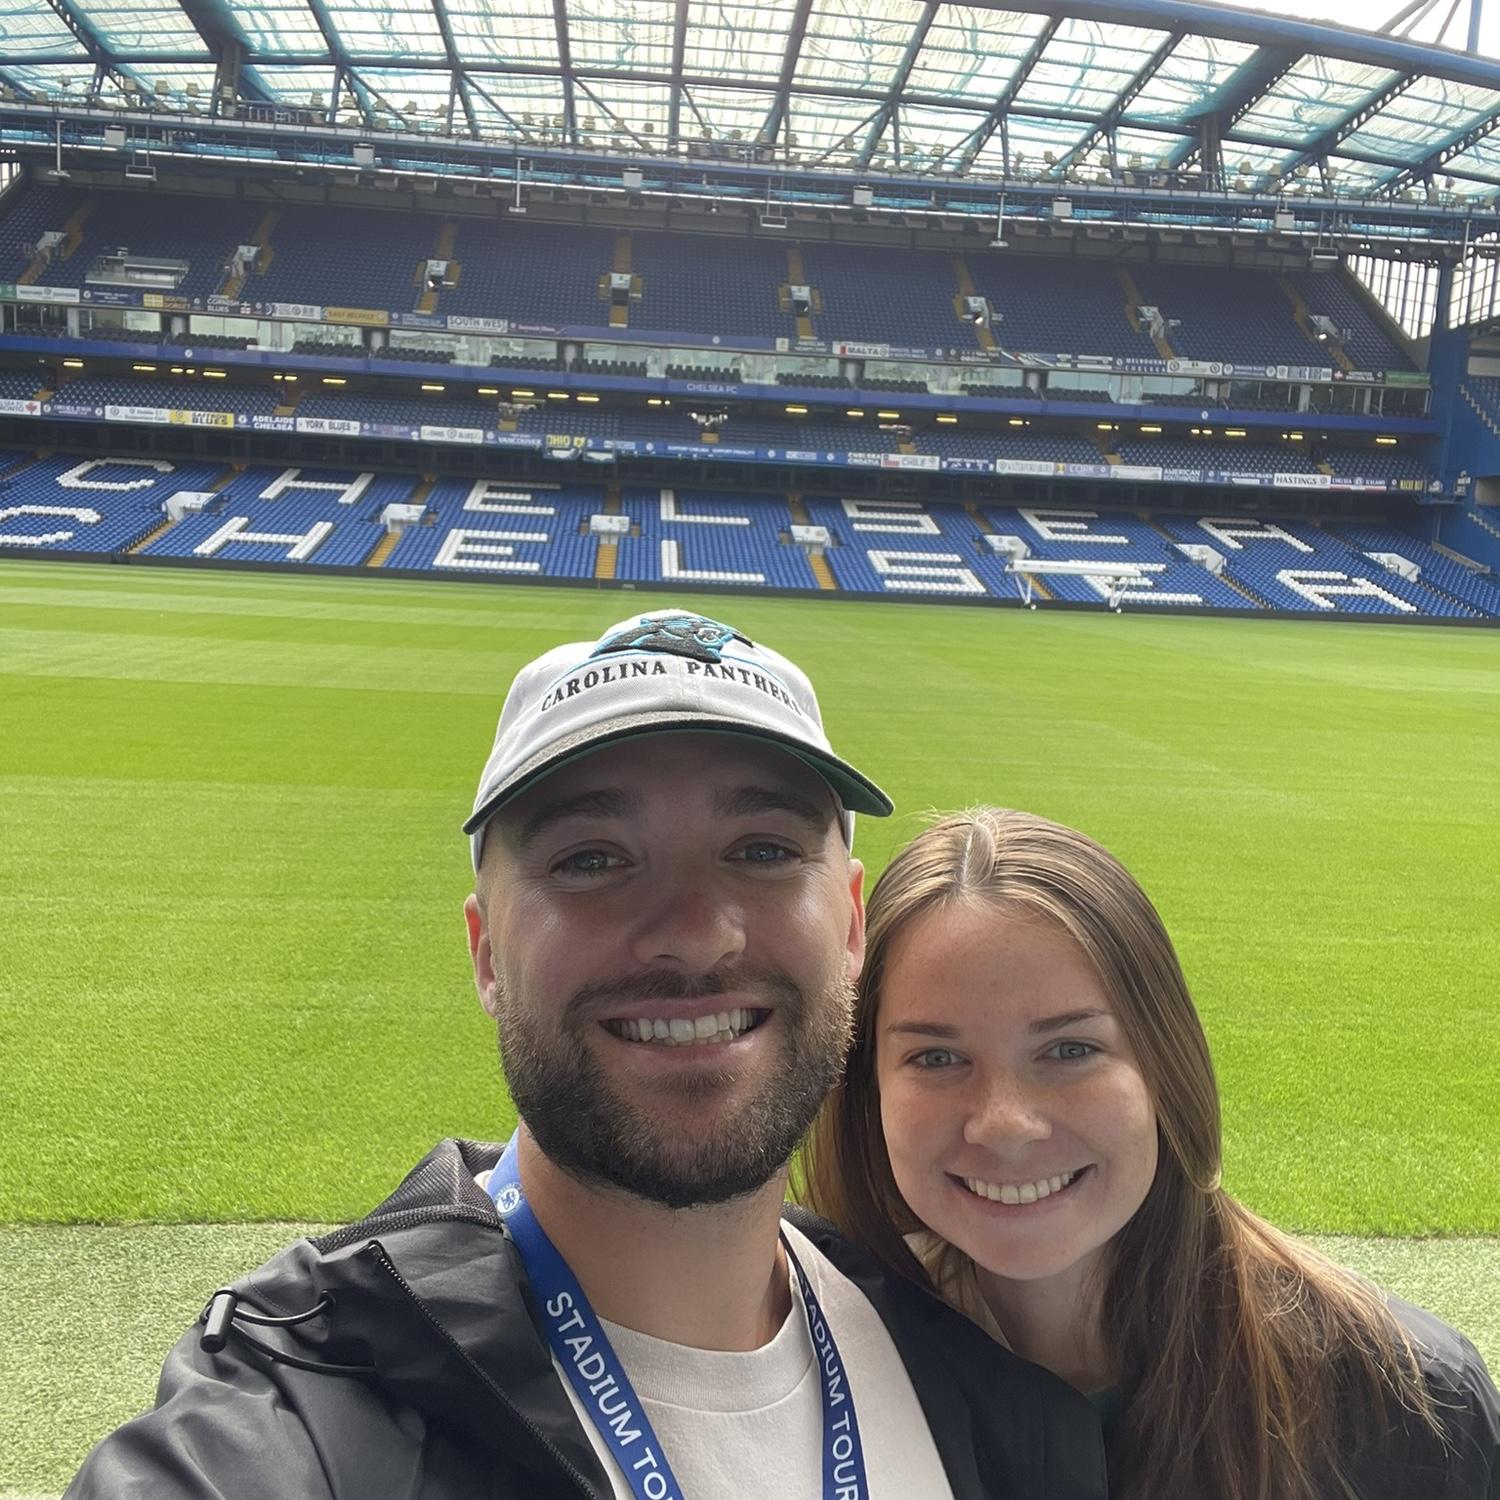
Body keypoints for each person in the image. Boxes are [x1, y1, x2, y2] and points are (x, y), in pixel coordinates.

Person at [67, 614, 1107, 1499]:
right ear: (486, 955)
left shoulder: (988, 1400)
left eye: (761, 851)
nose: (696, 935)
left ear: (848, 925)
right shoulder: (311, 1405)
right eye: (592, 860)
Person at [801, 805, 1500, 1500]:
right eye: (937, 1057)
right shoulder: (814, 1373)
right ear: (867, 1091)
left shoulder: (1415, 1410)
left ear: (1165, 1066)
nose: (1004, 1123)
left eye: (1070, 1050)